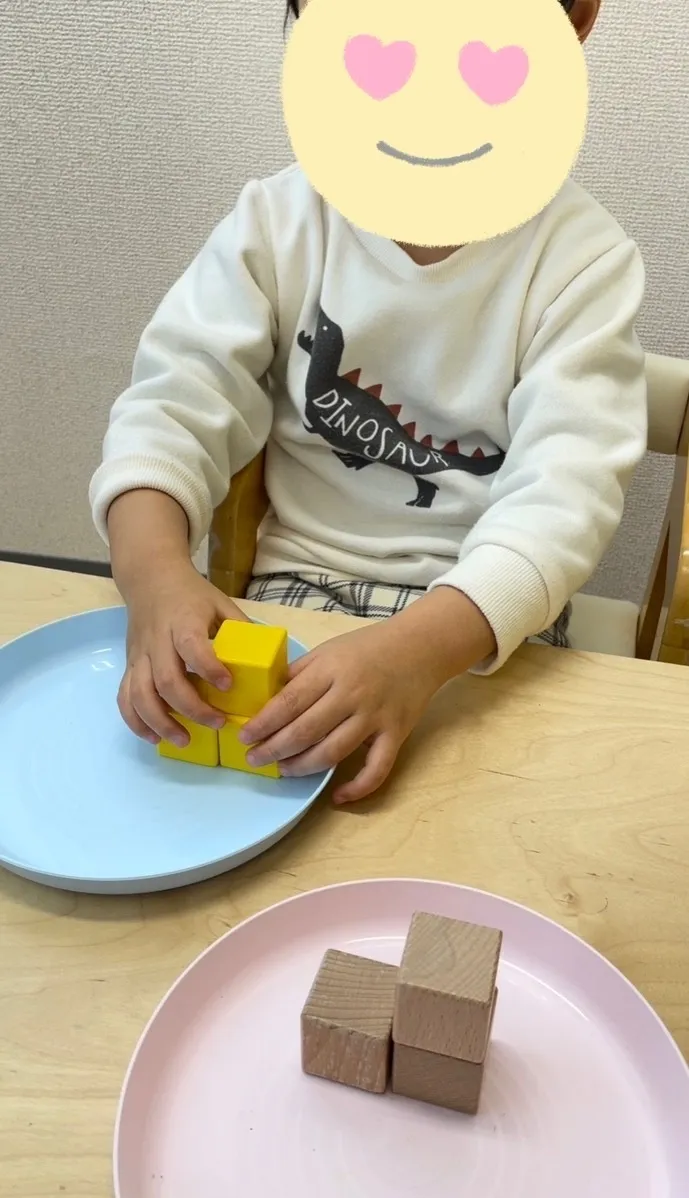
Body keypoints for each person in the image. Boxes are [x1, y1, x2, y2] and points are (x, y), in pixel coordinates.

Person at [89, 0, 646, 803]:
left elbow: (564, 499)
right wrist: (153, 578)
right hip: (295, 585)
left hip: (479, 620)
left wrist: (417, 653)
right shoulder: (277, 221)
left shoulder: (583, 262)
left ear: (572, 20)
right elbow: (172, 403)